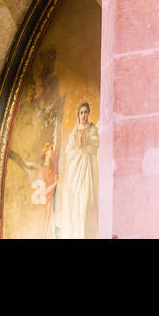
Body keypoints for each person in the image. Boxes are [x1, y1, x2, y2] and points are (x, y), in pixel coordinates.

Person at [55, 101, 98, 238]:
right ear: (78, 115)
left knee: (86, 202)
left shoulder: (92, 129)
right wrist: (78, 145)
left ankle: (87, 234)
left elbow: (96, 145)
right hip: (75, 170)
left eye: (86, 112)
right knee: (75, 203)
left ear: (88, 114)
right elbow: (68, 152)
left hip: (87, 169)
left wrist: (87, 143)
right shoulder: (74, 132)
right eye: (81, 112)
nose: (83, 115)